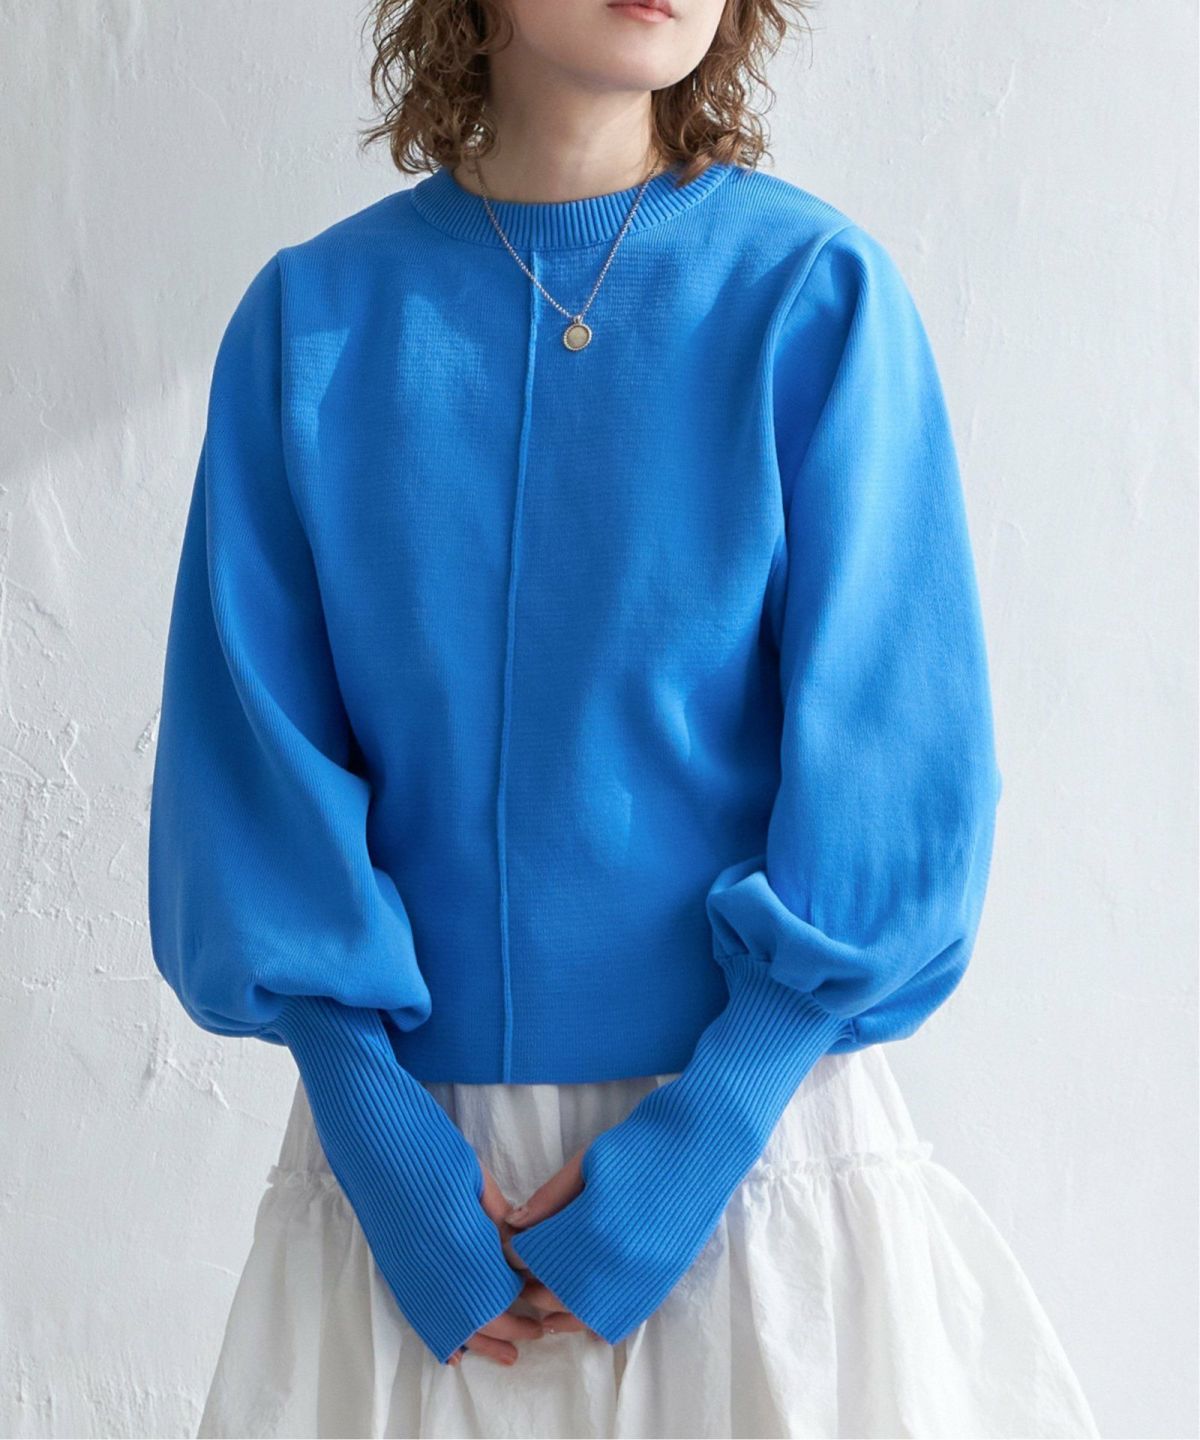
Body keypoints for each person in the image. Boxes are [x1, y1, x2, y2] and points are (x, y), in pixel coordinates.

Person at [146, 0, 1101, 1435]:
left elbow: (899, 769)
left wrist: (705, 1139)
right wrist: (378, 1140)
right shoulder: (313, 321)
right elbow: (249, 768)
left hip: (752, 1170)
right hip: (419, 1197)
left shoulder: (811, 296)